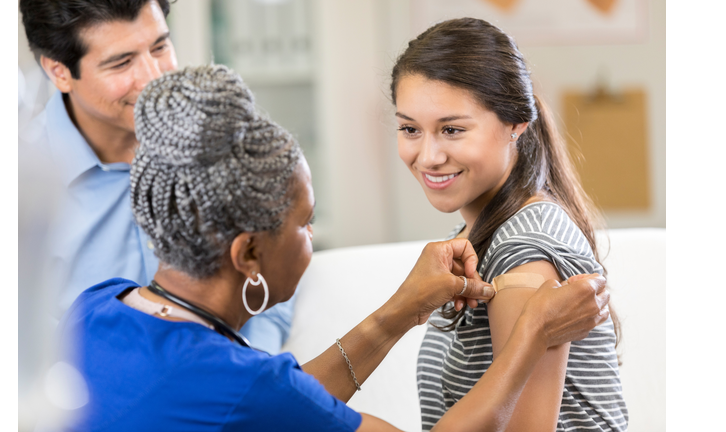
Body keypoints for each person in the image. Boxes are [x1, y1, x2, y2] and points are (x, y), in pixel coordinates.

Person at [56, 64, 611, 432]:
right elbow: (271, 400)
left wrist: (402, 310)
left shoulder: (98, 305)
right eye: (305, 223)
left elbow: (284, 403)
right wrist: (533, 333)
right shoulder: (243, 386)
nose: (312, 240)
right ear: (248, 255)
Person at [389, 18, 629, 431]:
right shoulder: (474, 238)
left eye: (452, 129)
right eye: (410, 129)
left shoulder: (525, 247)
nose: (427, 156)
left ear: (516, 123)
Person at [18, 0, 293, 353]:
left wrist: (253, 361)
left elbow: (275, 262)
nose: (154, 77)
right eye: (122, 62)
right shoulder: (23, 188)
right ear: (59, 72)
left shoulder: (214, 135)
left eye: (160, 46)